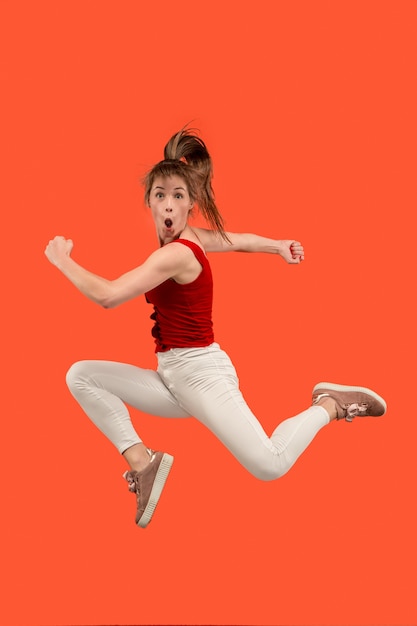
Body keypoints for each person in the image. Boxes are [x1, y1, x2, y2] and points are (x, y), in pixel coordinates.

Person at [45, 127, 387, 528]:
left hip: (203, 376)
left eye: (177, 196)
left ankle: (329, 403)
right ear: (149, 203)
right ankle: (143, 462)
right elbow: (234, 240)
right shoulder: (190, 240)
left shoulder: (176, 254)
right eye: (160, 195)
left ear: (190, 204)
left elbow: (108, 295)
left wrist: (61, 261)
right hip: (172, 377)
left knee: (270, 464)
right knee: (82, 375)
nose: (168, 204)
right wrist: (275, 245)